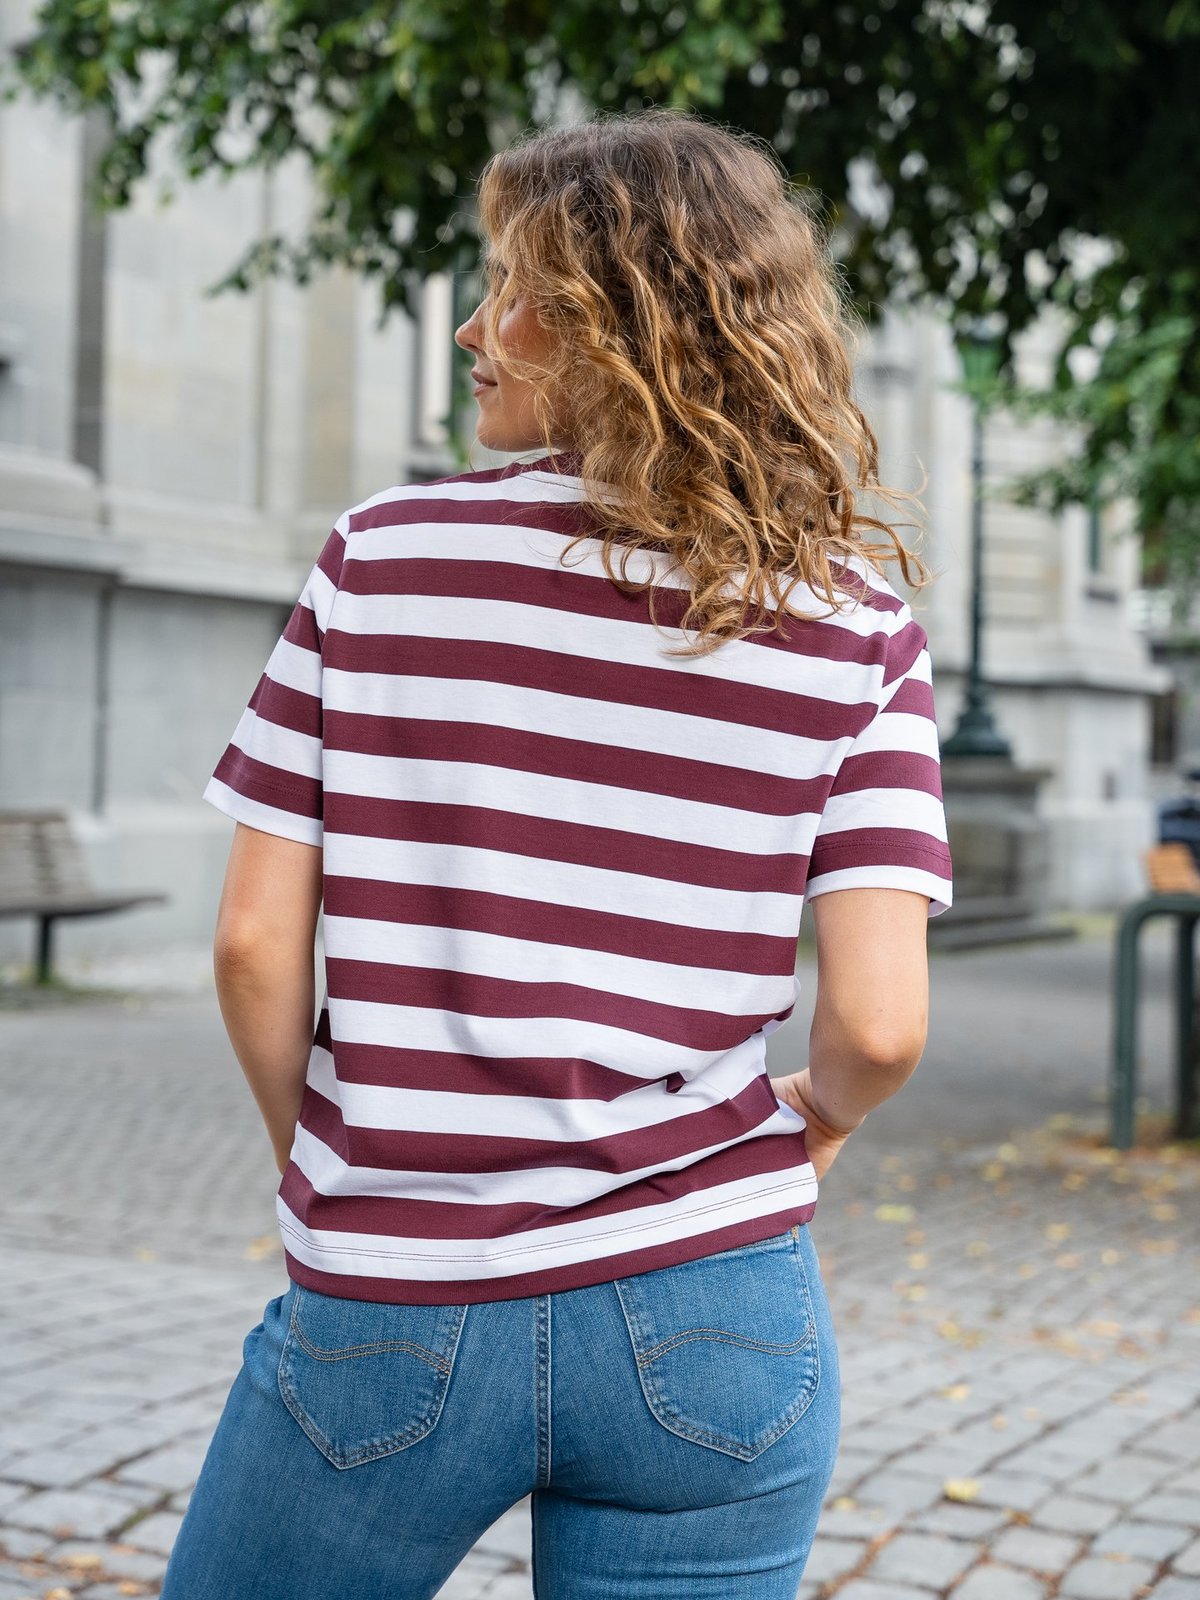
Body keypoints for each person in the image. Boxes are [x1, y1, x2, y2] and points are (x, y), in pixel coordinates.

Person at [160, 106, 952, 1600]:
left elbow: (255, 945)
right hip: (717, 1311)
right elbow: (880, 1023)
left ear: (615, 323)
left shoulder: (381, 562)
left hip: (397, 1298)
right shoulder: (854, 626)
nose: (472, 327)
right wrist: (822, 1122)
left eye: (509, 287)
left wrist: (332, 1170)